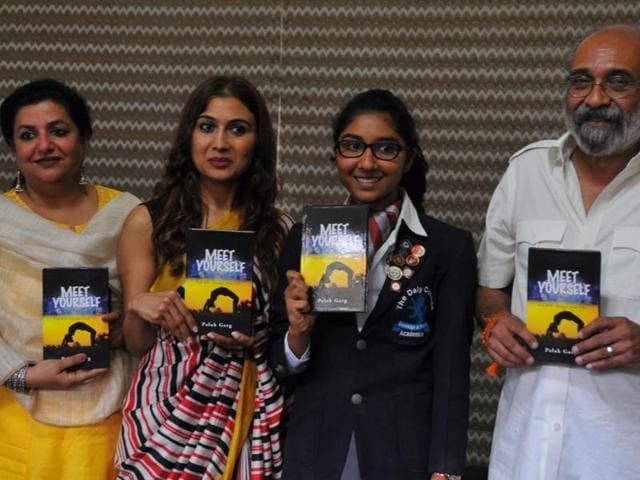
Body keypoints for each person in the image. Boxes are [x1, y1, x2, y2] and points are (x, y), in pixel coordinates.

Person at [269, 89, 476, 480]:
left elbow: (452, 369)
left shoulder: (448, 248)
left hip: (402, 453)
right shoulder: (304, 239)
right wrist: (298, 333)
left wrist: (446, 467)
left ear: (408, 158)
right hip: (317, 449)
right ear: (336, 155)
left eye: (385, 148)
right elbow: (282, 365)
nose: (366, 162)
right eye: (352, 147)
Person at [477, 24, 640, 480]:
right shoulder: (526, 173)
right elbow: (492, 287)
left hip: (622, 456)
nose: (595, 98)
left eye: (619, 81)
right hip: (526, 449)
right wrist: (494, 321)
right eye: (581, 80)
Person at [116, 76, 292, 479]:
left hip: (250, 408)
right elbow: (139, 344)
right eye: (207, 126)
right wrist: (139, 307)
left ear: (256, 142)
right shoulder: (149, 221)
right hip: (166, 414)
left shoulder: (278, 229)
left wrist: (259, 337)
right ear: (189, 136)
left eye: (238, 129)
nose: (221, 143)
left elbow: (290, 337)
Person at [0, 79, 140, 479]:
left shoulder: (128, 215)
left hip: (110, 414)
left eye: (58, 131)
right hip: (19, 413)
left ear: (85, 137)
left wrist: (124, 331)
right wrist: (24, 375)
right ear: (13, 147)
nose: (44, 145)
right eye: (28, 135)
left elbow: (150, 305)